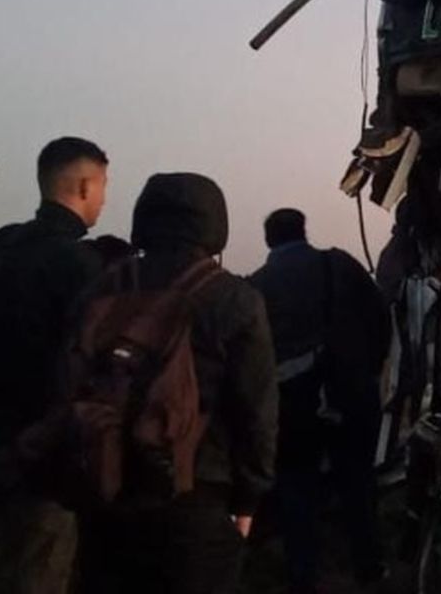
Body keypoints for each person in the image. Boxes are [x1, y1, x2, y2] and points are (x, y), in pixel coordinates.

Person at [77, 172, 278, 594]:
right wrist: (249, 498)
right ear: (215, 224)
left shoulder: (102, 287)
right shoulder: (234, 299)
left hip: (106, 488)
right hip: (197, 494)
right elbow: (256, 412)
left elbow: (69, 379)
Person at [0, 136, 109, 594]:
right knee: (39, 571)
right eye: (104, 185)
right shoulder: (81, 263)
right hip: (48, 449)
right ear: (85, 186)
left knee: (12, 562)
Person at [249, 208, 391, 594]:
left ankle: (303, 574)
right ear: (303, 230)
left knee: (296, 487)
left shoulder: (257, 286)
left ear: (268, 240)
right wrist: (367, 370)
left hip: (291, 404)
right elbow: (380, 317)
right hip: (350, 393)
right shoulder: (340, 265)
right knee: (358, 483)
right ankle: (368, 567)